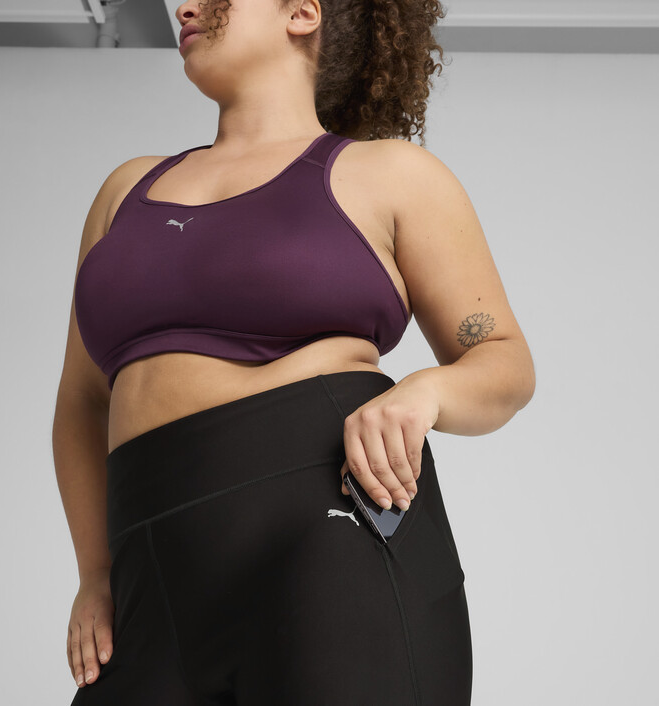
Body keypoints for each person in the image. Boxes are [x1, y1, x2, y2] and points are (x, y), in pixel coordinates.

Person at [53, 1, 535, 704]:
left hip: (329, 538)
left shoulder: (388, 175)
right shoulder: (125, 194)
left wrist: (422, 393)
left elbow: (503, 358)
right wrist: (96, 573)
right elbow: (80, 403)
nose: (185, 6)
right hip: (150, 572)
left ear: (303, 12)